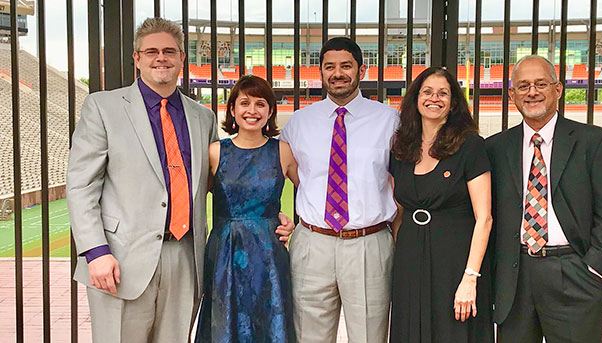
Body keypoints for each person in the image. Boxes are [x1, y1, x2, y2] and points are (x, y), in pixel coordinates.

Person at [66, 18, 293, 343]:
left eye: (169, 51)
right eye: (152, 51)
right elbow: (80, 185)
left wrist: (271, 212)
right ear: (137, 58)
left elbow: (229, 180)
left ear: (182, 58)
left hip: (186, 258)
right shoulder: (104, 107)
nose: (161, 58)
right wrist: (95, 251)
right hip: (120, 259)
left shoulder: (201, 117)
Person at [486, 55, 602, 343]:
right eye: (523, 86)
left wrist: (593, 270)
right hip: (516, 278)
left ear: (558, 89)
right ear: (511, 94)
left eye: (541, 83)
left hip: (574, 274)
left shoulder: (594, 141)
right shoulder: (495, 147)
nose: (532, 92)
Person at [279, 36, 399, 342]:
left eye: (346, 66)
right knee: (308, 336)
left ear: (362, 70)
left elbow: (403, 184)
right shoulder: (299, 123)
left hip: (368, 242)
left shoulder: (389, 121)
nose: (338, 73)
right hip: (312, 242)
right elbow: (280, 176)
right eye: (329, 66)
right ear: (320, 72)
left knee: (370, 335)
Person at [388, 67, 493, 343]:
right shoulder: (401, 148)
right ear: (416, 99)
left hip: (454, 263)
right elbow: (398, 211)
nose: (434, 98)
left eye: (443, 93)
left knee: (453, 332)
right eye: (427, 92)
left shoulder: (470, 147)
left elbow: (485, 219)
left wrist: (470, 278)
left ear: (453, 102)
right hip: (410, 260)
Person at [195, 75, 298, 342]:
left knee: (269, 323)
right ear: (232, 109)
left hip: (269, 254)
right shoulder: (215, 152)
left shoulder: (283, 151)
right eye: (244, 103)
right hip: (225, 252)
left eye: (260, 104)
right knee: (224, 322)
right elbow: (192, 199)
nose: (252, 111)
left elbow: (312, 194)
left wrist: (294, 225)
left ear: (270, 111)